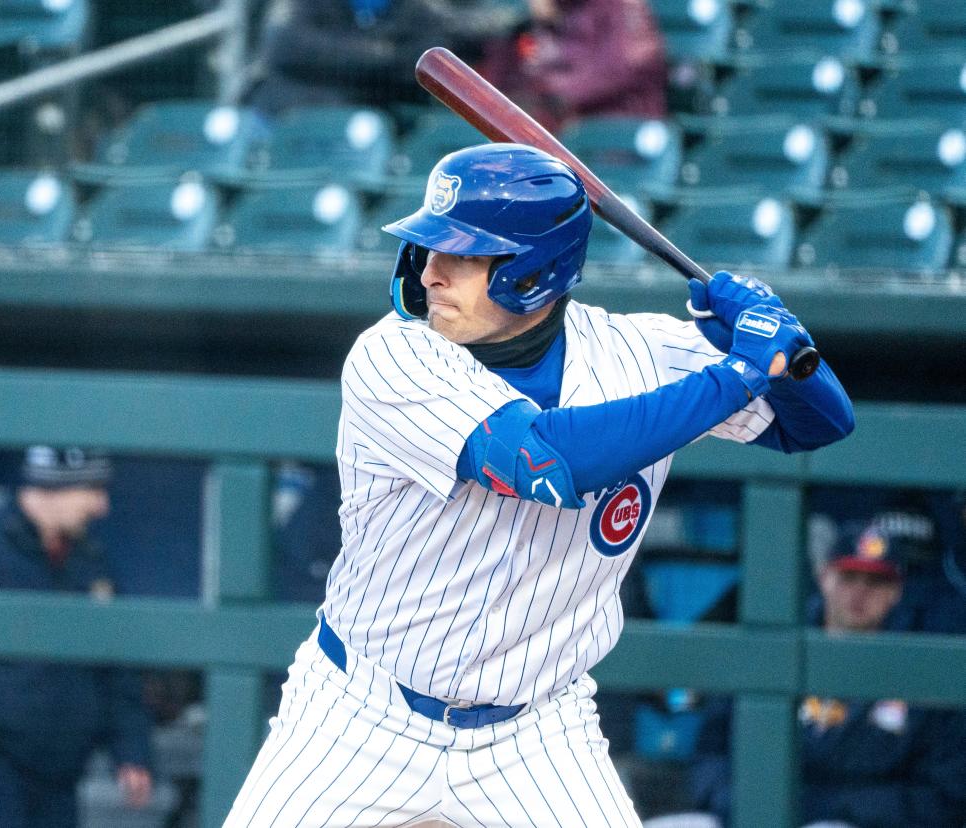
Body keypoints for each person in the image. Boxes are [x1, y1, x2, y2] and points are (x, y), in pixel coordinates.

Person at [222, 142, 854, 826]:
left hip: (535, 732)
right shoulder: (394, 355)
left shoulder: (640, 353)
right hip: (361, 714)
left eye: (461, 256)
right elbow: (547, 465)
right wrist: (738, 373)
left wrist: (783, 339)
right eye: (429, 251)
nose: (431, 274)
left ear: (532, 274)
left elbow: (820, 423)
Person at [0, 446, 154, 828]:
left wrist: (131, 751)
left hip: (63, 773)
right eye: (93, 491)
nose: (101, 507)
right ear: (55, 487)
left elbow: (115, 669)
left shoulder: (89, 561)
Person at [690, 520, 966, 827]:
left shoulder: (919, 667)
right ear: (824, 577)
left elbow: (942, 796)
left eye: (875, 582)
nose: (859, 593)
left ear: (896, 591)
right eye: (848, 577)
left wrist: (837, 808)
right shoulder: (775, 645)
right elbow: (711, 753)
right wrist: (738, 802)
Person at [479, 0, 667, 133]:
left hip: (615, 133)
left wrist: (547, 90)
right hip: (553, 128)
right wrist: (517, 26)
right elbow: (502, 85)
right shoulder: (541, 11)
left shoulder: (622, 6)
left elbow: (617, 71)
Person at [243, 0, 456, 116]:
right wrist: (380, 56)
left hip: (369, 119)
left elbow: (425, 62)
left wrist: (361, 61)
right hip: (285, 110)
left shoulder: (415, 9)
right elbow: (284, 45)